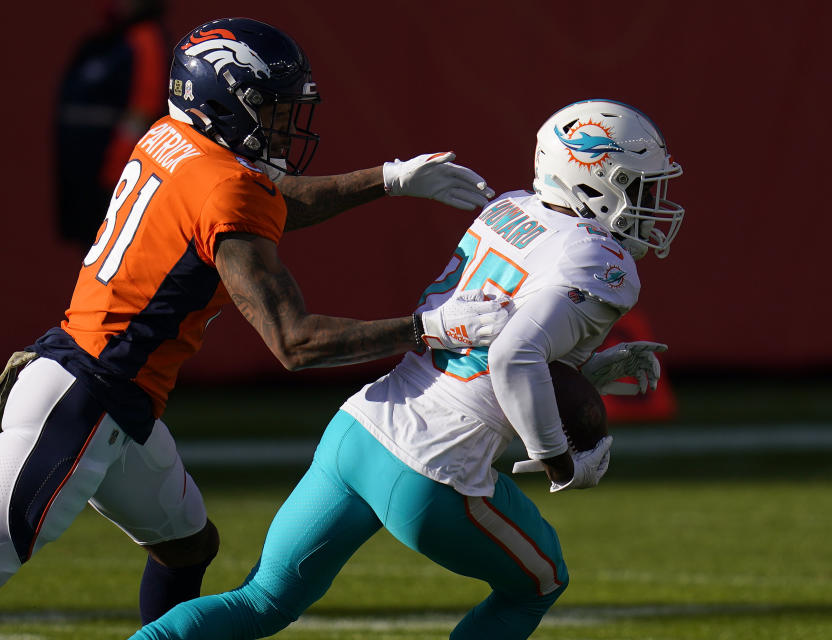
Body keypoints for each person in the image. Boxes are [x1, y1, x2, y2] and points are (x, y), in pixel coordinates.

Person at [0, 18, 512, 636]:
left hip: (113, 396)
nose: (286, 124)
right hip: (86, 401)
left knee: (187, 545)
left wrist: (389, 179)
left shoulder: (172, 139)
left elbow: (263, 202)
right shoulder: (226, 188)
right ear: (223, 102)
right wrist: (428, 327)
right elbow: (295, 341)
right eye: (272, 108)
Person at [126, 98, 685, 640]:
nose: (651, 204)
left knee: (259, 603)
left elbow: (496, 348)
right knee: (540, 583)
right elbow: (514, 355)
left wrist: (587, 374)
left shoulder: (509, 208)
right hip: (435, 470)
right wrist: (560, 460)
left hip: (361, 429)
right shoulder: (600, 260)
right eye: (641, 187)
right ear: (596, 179)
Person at [55, 0, 170, 248]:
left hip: (114, 176)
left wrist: (117, 172)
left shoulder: (145, 38)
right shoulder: (96, 44)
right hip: (80, 172)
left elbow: (144, 109)